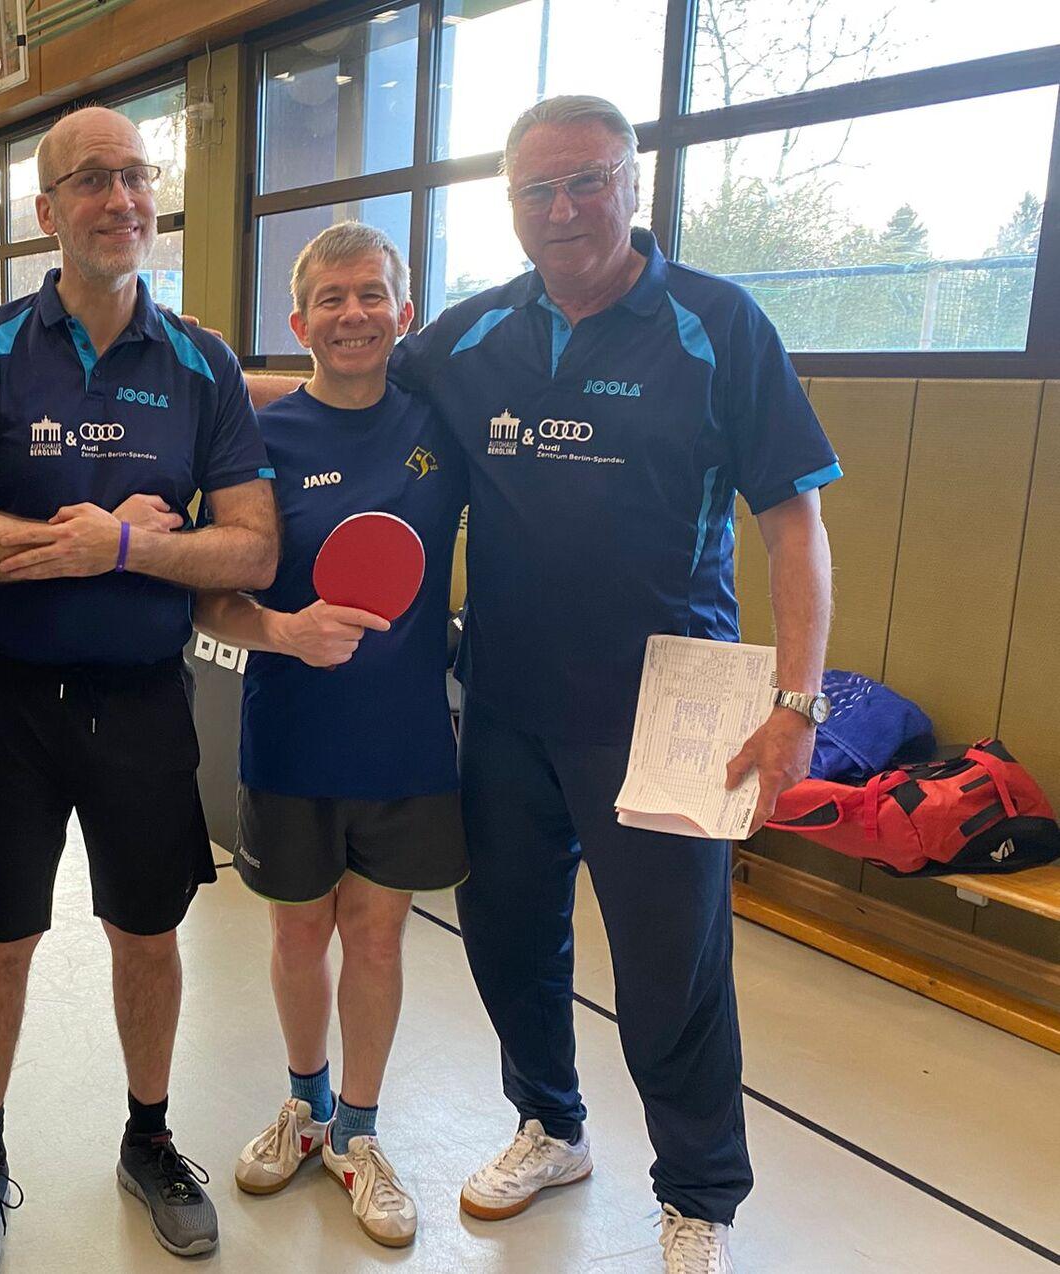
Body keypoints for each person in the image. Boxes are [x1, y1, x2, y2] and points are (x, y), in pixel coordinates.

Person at [250, 95, 838, 1273]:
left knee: (673, 965)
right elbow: (338, 376)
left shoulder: (720, 325)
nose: (565, 208)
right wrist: (209, 430)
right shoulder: (468, 340)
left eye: (589, 181)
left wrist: (796, 700)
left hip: (676, 708)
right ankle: (552, 1124)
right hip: (507, 701)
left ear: (633, 183)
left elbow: (794, 524)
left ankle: (699, 1194)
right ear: (510, 206)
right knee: (510, 939)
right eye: (538, 190)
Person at [0, 105, 278, 1274]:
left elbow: (254, 550)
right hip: (12, 699)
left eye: (136, 175)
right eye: (91, 180)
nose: (121, 197)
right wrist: (64, 541)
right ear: (46, 210)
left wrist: (121, 550)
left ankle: (150, 1135)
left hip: (143, 702)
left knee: (148, 933)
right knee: (0, 936)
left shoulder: (202, 361)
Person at [194, 221, 467, 1249]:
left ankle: (359, 1129)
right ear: (300, 319)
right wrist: (283, 632)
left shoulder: (445, 423)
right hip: (293, 738)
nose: (354, 314)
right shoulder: (259, 443)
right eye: (332, 299)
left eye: (373, 294)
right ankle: (304, 1106)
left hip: (405, 744)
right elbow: (212, 603)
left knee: (380, 933)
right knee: (298, 930)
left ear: (404, 311)